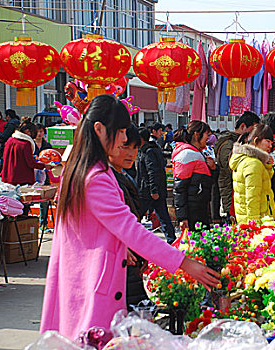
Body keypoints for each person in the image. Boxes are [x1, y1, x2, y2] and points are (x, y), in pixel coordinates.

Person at [40, 95, 219, 340]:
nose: (125, 138)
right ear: (99, 129)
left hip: (80, 277)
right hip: (92, 282)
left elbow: (92, 227)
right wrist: (184, 263)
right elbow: (131, 230)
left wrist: (119, 245)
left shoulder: (82, 169)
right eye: (121, 131)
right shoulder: (96, 178)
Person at [108, 124, 150, 310]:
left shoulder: (122, 173)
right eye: (125, 147)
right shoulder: (105, 179)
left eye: (135, 148)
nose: (131, 153)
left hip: (131, 250)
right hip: (121, 255)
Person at [215, 111, 260, 220]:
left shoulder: (238, 142)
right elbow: (230, 168)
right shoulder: (228, 144)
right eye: (253, 129)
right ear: (243, 126)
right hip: (231, 194)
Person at [173, 120, 215, 231]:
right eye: (207, 134)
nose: (208, 138)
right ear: (197, 135)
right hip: (192, 211)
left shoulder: (197, 153)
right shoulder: (187, 154)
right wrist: (182, 217)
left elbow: (208, 180)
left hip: (199, 208)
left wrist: (214, 168)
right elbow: (179, 188)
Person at [136, 127, 176, 243]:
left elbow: (152, 171)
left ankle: (134, 240)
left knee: (136, 216)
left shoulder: (148, 152)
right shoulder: (152, 149)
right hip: (154, 189)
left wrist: (154, 190)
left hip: (149, 191)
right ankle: (171, 239)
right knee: (163, 216)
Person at [230, 124, 275, 225]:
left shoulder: (245, 159)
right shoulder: (253, 164)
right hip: (258, 220)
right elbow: (252, 198)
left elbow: (261, 185)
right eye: (267, 141)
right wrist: (253, 225)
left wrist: (267, 166)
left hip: (245, 217)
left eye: (271, 143)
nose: (270, 146)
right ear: (256, 141)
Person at [1, 118, 51, 186]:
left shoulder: (10, 140)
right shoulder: (25, 144)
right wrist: (44, 166)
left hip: (8, 176)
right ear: (27, 131)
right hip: (22, 178)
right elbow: (30, 163)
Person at [33, 124, 53, 229]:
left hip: (44, 175)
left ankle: (43, 223)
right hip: (32, 176)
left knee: (44, 200)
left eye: (41, 131)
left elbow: (53, 160)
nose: (39, 134)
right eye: (37, 131)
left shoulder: (47, 146)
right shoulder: (30, 144)